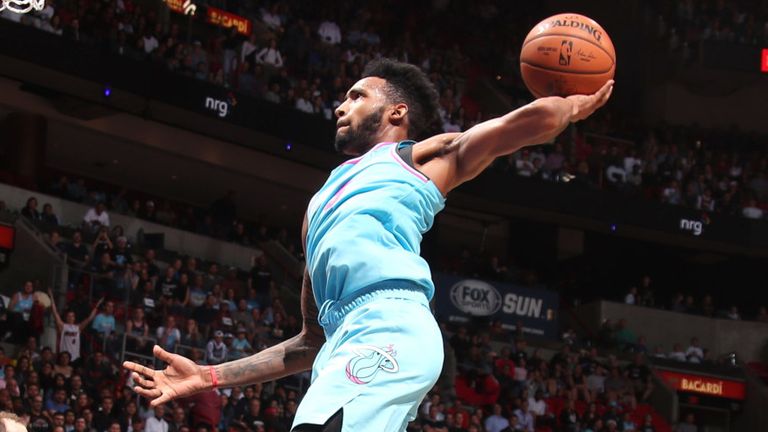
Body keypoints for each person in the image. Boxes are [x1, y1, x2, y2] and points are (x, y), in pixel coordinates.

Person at [124, 58, 613, 431]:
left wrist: (569, 104)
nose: (341, 105)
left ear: (396, 111)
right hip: (341, 341)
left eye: (357, 96)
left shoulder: (419, 158)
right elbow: (308, 342)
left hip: (392, 325)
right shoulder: (316, 207)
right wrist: (209, 376)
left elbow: (517, 128)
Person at [49, 289, 104, 362]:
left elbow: (89, 318)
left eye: (72, 316)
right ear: (66, 317)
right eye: (69, 316)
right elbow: (55, 312)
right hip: (63, 356)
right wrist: (51, 297)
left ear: (74, 318)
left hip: (75, 357)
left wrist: (97, 305)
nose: (70, 318)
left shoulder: (78, 327)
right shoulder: (62, 326)